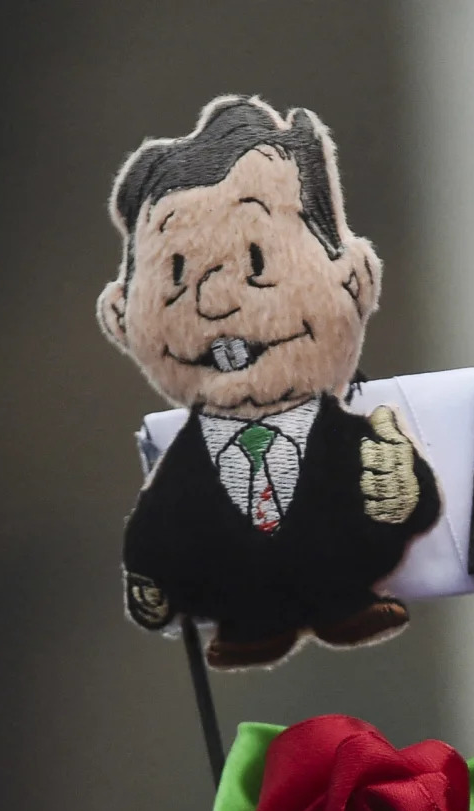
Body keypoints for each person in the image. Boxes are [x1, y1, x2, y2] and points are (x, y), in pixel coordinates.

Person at [97, 96, 442, 667]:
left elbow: (408, 504)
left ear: (352, 277)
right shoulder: (183, 465)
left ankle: (338, 603)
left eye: (256, 263)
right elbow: (158, 524)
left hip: (348, 583)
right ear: (121, 314)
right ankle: (253, 622)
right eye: (177, 278)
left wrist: (402, 492)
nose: (216, 302)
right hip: (236, 610)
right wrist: (151, 577)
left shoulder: (352, 439)